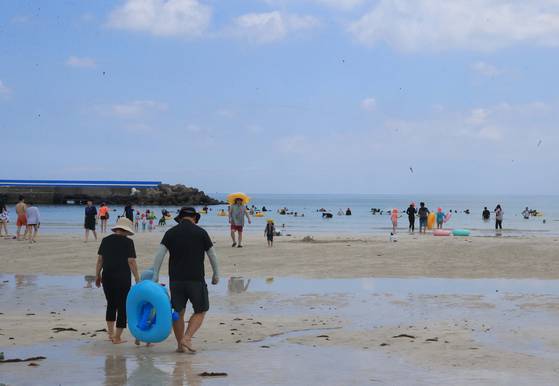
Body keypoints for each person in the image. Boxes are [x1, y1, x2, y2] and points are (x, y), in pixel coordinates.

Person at [151, 207, 220, 353]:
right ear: (194, 218)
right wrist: (216, 274)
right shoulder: (201, 232)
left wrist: (155, 274)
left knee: (178, 312)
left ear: (180, 218)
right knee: (201, 310)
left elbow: (159, 255)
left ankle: (180, 345)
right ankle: (187, 338)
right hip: (196, 279)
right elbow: (212, 255)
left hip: (176, 280)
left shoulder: (170, 233)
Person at [95, 217, 140, 344]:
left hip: (107, 276)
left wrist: (97, 275)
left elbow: (100, 260)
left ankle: (111, 334)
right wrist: (137, 277)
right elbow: (131, 261)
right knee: (122, 306)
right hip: (122, 277)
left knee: (111, 304)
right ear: (126, 230)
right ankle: (117, 337)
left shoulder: (106, 240)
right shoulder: (128, 242)